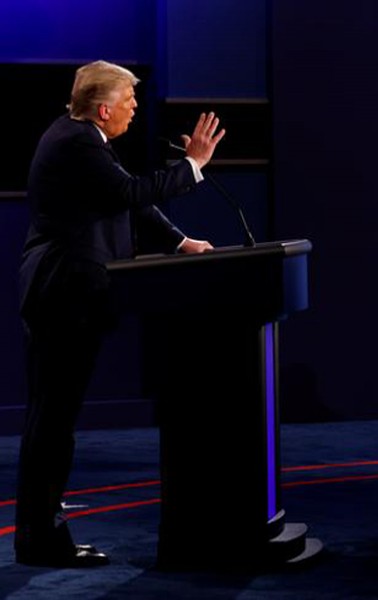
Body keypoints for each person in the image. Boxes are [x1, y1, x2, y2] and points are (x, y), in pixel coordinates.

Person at [15, 60, 225, 567]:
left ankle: (39, 534)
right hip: (63, 292)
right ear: (104, 107)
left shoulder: (82, 139)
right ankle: (41, 539)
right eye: (129, 100)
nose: (134, 108)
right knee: (52, 420)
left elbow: (126, 202)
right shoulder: (78, 142)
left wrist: (180, 242)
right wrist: (193, 165)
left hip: (65, 292)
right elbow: (130, 193)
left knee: (53, 418)